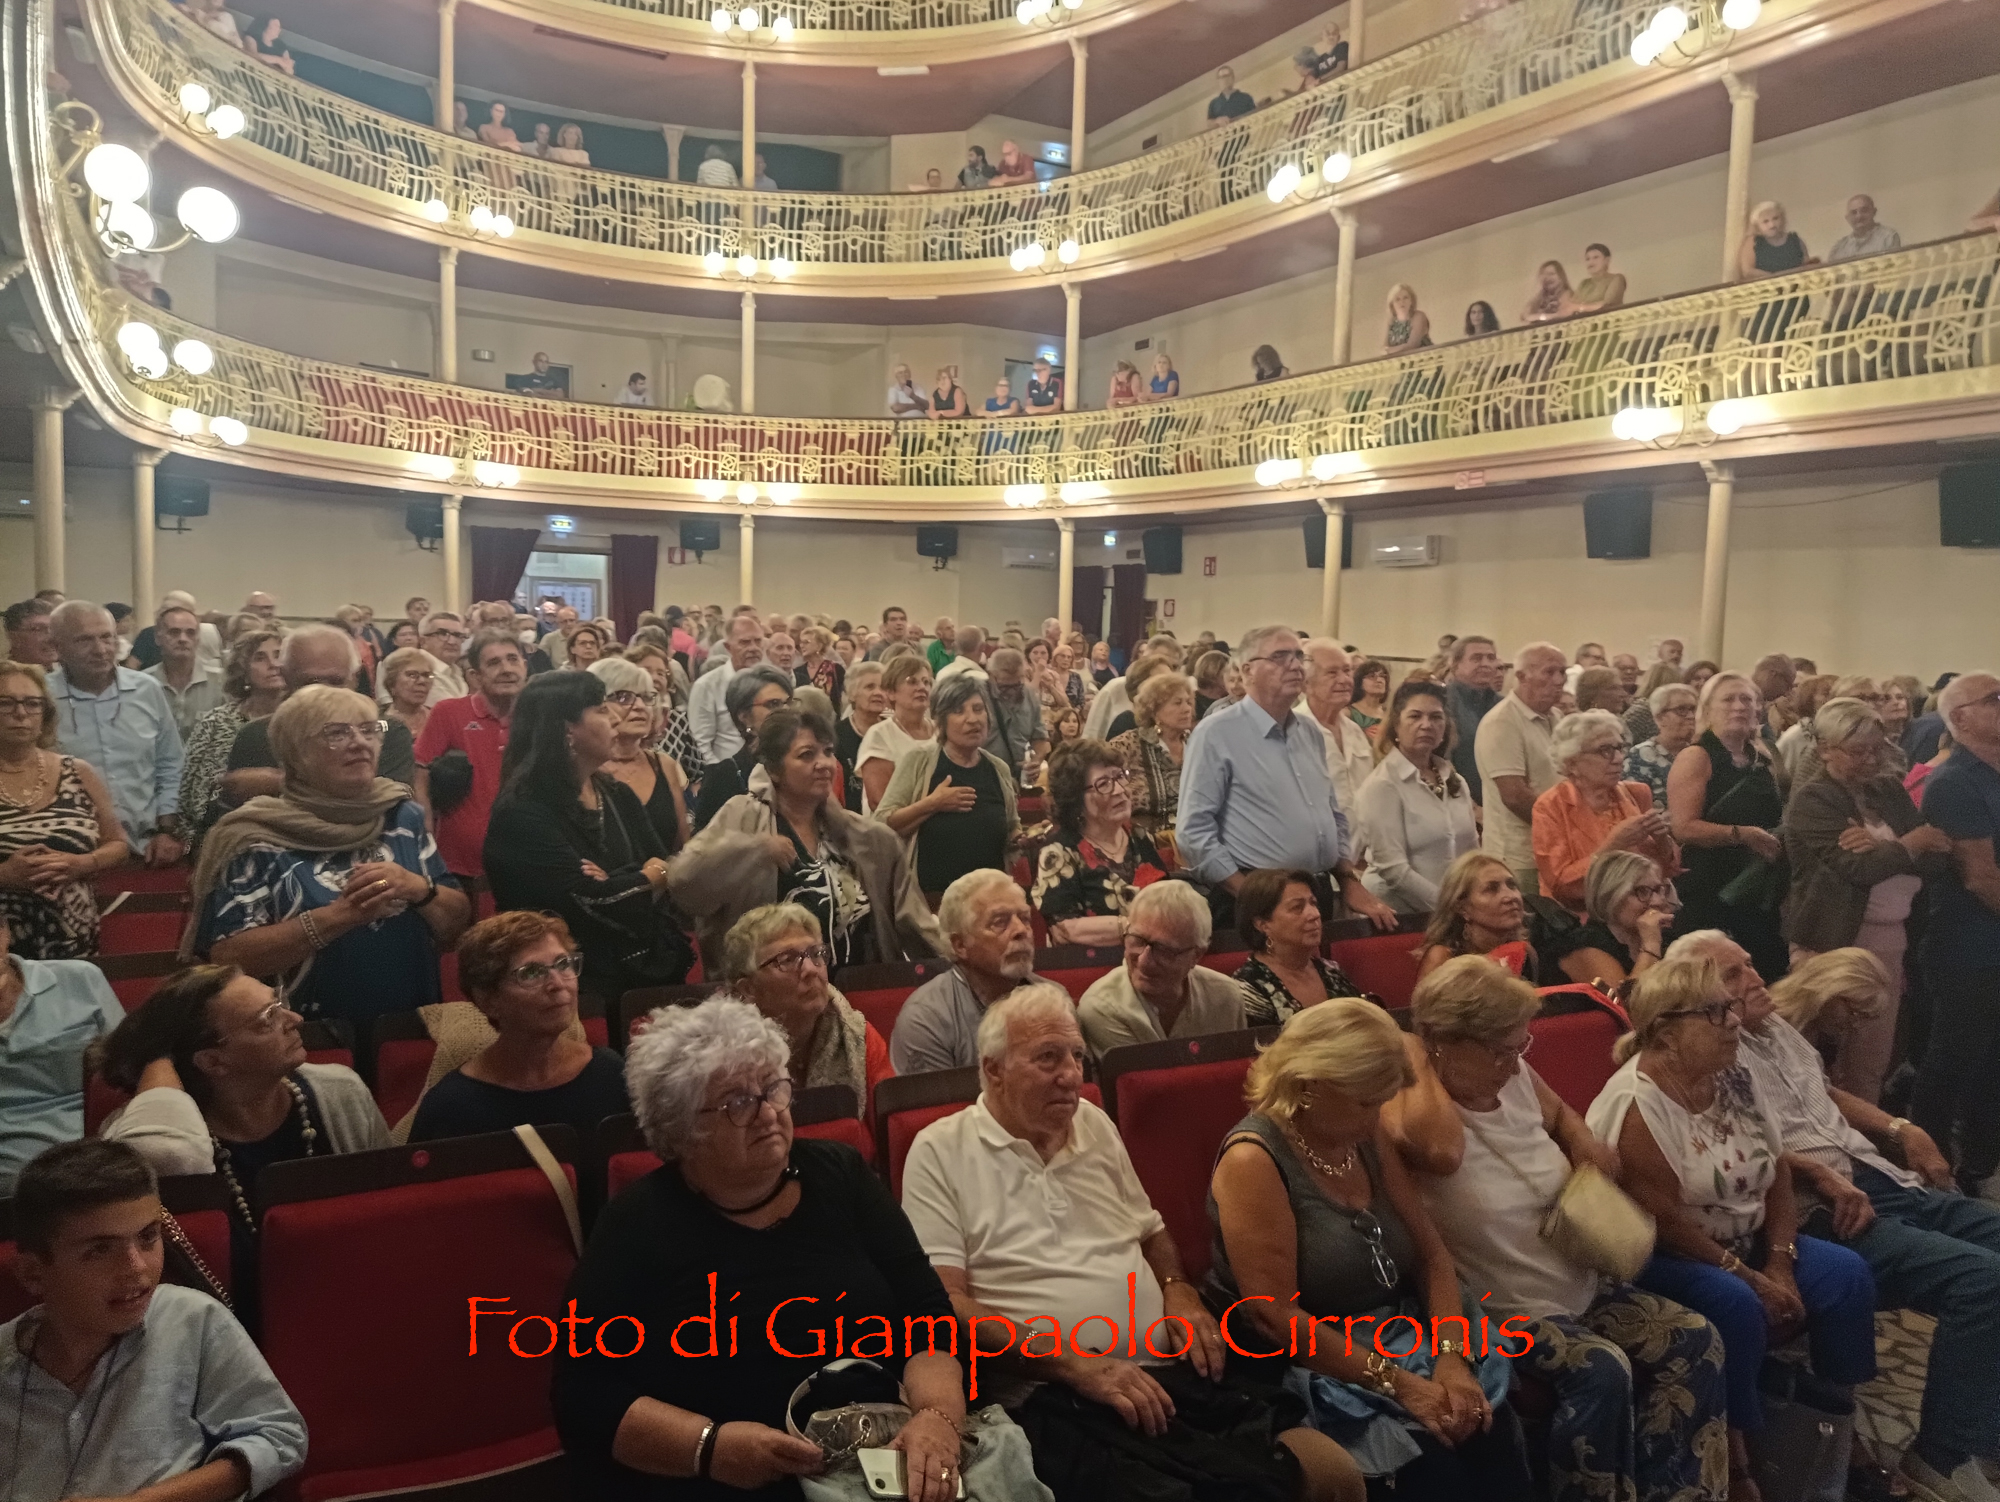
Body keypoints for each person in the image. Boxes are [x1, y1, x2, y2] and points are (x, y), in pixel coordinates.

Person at [901, 985, 1356, 1502]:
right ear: (994, 1069)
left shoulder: (1092, 1123)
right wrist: (1076, 1365)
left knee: (1325, 1470)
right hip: (1054, 1396)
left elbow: (1150, 1231)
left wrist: (1178, 1289)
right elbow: (948, 1303)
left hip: (1170, 1377)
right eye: (1048, 1058)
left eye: (1077, 1056)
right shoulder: (940, 1149)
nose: (1071, 1075)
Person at [553, 998, 968, 1502]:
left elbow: (928, 1315)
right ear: (682, 1129)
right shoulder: (637, 1223)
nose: (769, 1113)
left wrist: (936, 1418)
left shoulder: (841, 1174)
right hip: (725, 1482)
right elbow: (584, 1394)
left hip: (882, 1459)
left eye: (773, 1089)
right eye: (737, 1103)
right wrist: (710, 1448)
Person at [1386, 959, 1729, 1502]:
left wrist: (1583, 1142)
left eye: (1519, 1045)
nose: (1512, 1064)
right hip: (1503, 1309)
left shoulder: (1517, 1076)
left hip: (1576, 1277)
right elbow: (1443, 1152)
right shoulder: (1410, 1102)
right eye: (1498, 1050)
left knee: (1696, 1339)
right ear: (1443, 1041)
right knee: (1602, 1370)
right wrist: (1417, 1051)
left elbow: (1562, 1115)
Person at [1700, 933, 2000, 1502]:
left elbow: (1824, 1095)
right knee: (1983, 1279)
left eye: (1750, 964)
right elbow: (1733, 1144)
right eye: (1733, 974)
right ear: (1698, 995)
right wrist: (1817, 1171)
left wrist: (1902, 1128)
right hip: (1825, 1204)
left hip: (1880, 1177)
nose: (1756, 978)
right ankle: (1938, 1459)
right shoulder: (1714, 1049)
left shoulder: (1778, 1029)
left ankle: (1983, 1434)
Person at [1207, 997, 1535, 1501]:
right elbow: (1274, 1317)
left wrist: (1451, 1359)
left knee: (1492, 1432)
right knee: (1433, 1470)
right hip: (1313, 1362)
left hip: (1399, 1335)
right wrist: (1401, 1385)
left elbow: (1432, 1256)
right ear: (1310, 1085)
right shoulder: (1253, 1159)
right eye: (1365, 1103)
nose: (1377, 1116)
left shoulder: (1364, 1135)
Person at [1585, 957, 1878, 1494]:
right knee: (1737, 1304)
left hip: (1748, 1240)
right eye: (1716, 1012)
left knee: (1847, 1274)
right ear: (1667, 1032)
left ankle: (1835, 1424)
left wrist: (1780, 1261)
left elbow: (1777, 1172)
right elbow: (1664, 1222)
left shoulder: (1735, 1075)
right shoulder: (1637, 1103)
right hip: (1668, 1255)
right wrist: (1750, 1276)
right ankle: (1738, 1457)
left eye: (1731, 1008)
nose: (1735, 1021)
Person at [0, 1138, 307, 1499]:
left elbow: (278, 1436)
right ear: (33, 1274)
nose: (136, 1267)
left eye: (148, 1237)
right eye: (100, 1250)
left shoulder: (191, 1320)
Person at [96, 964, 392, 1330]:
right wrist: (158, 1060)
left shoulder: (341, 1093)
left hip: (354, 1308)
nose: (295, 1019)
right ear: (213, 1061)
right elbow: (162, 1152)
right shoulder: (152, 1130)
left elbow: (389, 1220)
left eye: (280, 1003)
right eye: (268, 1019)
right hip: (220, 1332)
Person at [189, 685, 468, 1025]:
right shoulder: (254, 837)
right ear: (297, 753)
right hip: (303, 1035)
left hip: (407, 1029)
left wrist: (418, 888)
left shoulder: (401, 815)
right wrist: (341, 915)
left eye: (368, 730)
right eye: (337, 733)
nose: (360, 742)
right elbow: (228, 958)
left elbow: (455, 925)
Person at [671, 707, 944, 975]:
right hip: (770, 992)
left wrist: (955, 965)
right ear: (774, 770)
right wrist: (755, 850)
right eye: (806, 755)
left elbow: (916, 922)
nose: (824, 763)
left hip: (856, 989)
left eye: (828, 752)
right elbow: (684, 884)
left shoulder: (866, 836)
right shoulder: (742, 815)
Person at [1779, 697, 1950, 1102]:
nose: (1871, 760)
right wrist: (1909, 844)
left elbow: (1938, 857)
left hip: (1890, 936)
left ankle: (1866, 1135)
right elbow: (1858, 870)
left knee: (1871, 1059)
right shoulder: (1814, 798)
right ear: (1825, 749)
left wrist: (1882, 846)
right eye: (1858, 751)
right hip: (1831, 938)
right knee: (1817, 1055)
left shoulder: (1886, 788)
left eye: (1878, 748)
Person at [485, 672, 689, 1004]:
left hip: (639, 967)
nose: (616, 718)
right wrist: (647, 877)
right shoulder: (523, 812)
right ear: (567, 729)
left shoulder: (617, 794)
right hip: (559, 984)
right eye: (601, 709)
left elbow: (666, 866)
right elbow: (586, 903)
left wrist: (633, 879)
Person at [1178, 625, 1396, 932]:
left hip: (1315, 891)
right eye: (1280, 657)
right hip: (1256, 896)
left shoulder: (1310, 732)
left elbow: (1332, 815)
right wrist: (1253, 897)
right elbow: (1193, 833)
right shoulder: (1217, 733)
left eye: (1298, 656)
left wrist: (1348, 879)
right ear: (1247, 670)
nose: (1294, 665)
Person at [407, 909, 626, 1146]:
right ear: (488, 1000)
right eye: (531, 972)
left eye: (563, 964)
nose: (557, 984)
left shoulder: (611, 1074)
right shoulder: (450, 1108)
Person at [1908, 672, 2000, 1197]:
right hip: (1968, 946)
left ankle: (1981, 1165)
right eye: (1996, 699)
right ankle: (1931, 1168)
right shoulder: (1955, 781)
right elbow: (1981, 878)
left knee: (1993, 1063)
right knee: (1954, 1060)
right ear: (1961, 717)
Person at [710, 902, 892, 1120]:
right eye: (787, 960)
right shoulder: (719, 1062)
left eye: (816, 954)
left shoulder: (856, 1037)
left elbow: (888, 1131)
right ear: (748, 989)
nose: (811, 969)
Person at [0, 663, 127, 959]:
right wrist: (4, 874)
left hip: (74, 941)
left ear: (45, 713)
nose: (21, 713)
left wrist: (80, 863)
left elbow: (119, 845)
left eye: (32, 703)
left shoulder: (78, 772)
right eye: (6, 702)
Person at [1668, 672, 1788, 983]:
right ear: (1707, 709)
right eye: (1728, 699)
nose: (1739, 706)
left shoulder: (1762, 756)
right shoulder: (1696, 757)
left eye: (1746, 699)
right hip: (1709, 887)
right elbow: (1683, 827)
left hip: (1756, 886)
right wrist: (1742, 834)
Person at [47, 602, 183, 865]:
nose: (100, 650)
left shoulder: (147, 690)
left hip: (145, 850)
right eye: (84, 640)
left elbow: (170, 764)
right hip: (68, 854)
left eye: (107, 637)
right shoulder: (41, 699)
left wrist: (167, 831)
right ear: (57, 647)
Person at [0, 916, 122, 1191]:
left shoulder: (80, 978)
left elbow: (130, 1064)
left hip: (107, 1141)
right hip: (19, 1171)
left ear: (5, 932)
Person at [876, 674, 1017, 898]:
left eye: (978, 709)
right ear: (940, 722)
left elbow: (1011, 826)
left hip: (990, 900)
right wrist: (933, 803)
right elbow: (882, 824)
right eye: (959, 711)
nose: (973, 719)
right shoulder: (919, 761)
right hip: (930, 901)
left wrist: (1022, 839)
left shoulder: (998, 768)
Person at [1531, 708, 1680, 918]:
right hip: (1582, 918)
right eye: (1605, 750)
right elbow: (1561, 887)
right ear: (1571, 763)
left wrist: (1662, 840)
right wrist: (1613, 845)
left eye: (1619, 748)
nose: (1618, 758)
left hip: (1644, 911)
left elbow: (1666, 870)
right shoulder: (1550, 806)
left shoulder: (1637, 793)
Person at [890, 868, 1040, 1074]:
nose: (1021, 930)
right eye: (1000, 922)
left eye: (1025, 918)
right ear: (960, 945)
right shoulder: (926, 1019)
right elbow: (939, 1097)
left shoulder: (1055, 998)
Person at [1076, 879, 1245, 1060]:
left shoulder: (1226, 998)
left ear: (1197, 955)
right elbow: (1145, 1078)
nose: (1144, 962)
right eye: (1137, 940)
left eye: (1164, 950)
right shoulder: (1102, 1007)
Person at [1032, 740, 1171, 946]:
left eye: (1119, 776)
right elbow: (1066, 928)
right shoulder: (1058, 852)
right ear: (1076, 800)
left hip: (1152, 955)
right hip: (1095, 961)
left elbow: (1166, 900)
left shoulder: (1139, 835)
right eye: (1104, 784)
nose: (1119, 790)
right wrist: (1135, 928)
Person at [1356, 680, 1477, 915]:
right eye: (1415, 716)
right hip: (1399, 914)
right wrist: (1449, 909)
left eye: (1436, 717)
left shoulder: (1455, 781)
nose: (1426, 725)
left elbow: (1471, 852)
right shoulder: (1383, 785)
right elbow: (1394, 870)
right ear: (1396, 725)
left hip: (1454, 911)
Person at [414, 627, 525, 883]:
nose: (507, 669)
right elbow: (419, 772)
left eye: (513, 659)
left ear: (524, 666)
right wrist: (425, 834)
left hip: (524, 861)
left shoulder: (539, 715)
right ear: (475, 675)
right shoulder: (448, 712)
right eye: (494, 663)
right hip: (459, 868)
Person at [177, 628, 283, 855]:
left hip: (284, 836)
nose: (273, 664)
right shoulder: (216, 722)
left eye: (279, 655)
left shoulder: (302, 721)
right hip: (219, 837)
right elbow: (189, 791)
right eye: (260, 658)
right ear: (243, 671)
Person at [1474, 640, 1566, 895]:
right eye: (1549, 672)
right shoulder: (1502, 722)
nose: (1559, 680)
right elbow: (1514, 796)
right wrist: (1565, 828)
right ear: (1522, 676)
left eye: (1563, 672)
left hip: (1554, 850)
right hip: (1519, 857)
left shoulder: (1556, 717)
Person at [1231, 867, 1367, 1025]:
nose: (1314, 914)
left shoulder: (1331, 972)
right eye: (1297, 907)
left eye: (1313, 903)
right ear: (1262, 924)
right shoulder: (1249, 989)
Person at [591, 657, 691, 856]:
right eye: (623, 697)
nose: (639, 706)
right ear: (596, 706)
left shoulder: (664, 764)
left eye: (645, 697)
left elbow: (684, 845)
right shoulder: (588, 769)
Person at [1417, 851, 1551, 983]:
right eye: (1491, 889)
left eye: (1511, 885)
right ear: (1462, 907)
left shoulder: (1527, 950)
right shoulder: (1443, 958)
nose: (1511, 896)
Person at [692, 665, 793, 833]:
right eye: (773, 704)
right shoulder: (724, 775)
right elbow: (704, 843)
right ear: (744, 717)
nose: (786, 711)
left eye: (788, 703)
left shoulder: (803, 762)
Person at [1303, 642, 1377, 847]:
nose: (1344, 680)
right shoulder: (1292, 732)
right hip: (1316, 855)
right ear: (1306, 683)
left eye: (1347, 671)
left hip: (1362, 853)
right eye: (1332, 673)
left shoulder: (1355, 732)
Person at [1108, 670, 1193, 838]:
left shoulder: (1197, 743)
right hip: (1145, 841)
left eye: (1188, 702)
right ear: (1154, 711)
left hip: (1195, 839)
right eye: (1177, 703)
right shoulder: (1127, 745)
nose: (1187, 709)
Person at [856, 655, 934, 815]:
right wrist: (934, 804)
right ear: (891, 693)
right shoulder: (880, 735)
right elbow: (879, 803)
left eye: (926, 682)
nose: (922, 687)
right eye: (912, 681)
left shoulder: (941, 731)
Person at [687, 611, 766, 767]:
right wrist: (721, 774)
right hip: (725, 771)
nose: (753, 648)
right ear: (728, 647)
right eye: (745, 642)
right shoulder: (707, 686)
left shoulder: (770, 682)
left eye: (758, 641)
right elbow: (700, 743)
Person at [141, 604, 222, 738]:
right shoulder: (142, 684)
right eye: (174, 632)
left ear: (198, 639)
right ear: (158, 637)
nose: (183, 639)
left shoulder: (221, 683)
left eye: (190, 633)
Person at [1443, 634, 1501, 805]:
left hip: (1500, 804)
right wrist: (1471, 807)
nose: (1485, 664)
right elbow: (1440, 763)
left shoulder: (1504, 706)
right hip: (1457, 803)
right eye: (1476, 658)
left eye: (1491, 658)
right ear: (1455, 665)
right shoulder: (1442, 702)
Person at [1625, 681, 1699, 806]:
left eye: (1693, 709)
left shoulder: (1700, 754)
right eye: (1681, 710)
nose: (1691, 716)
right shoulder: (1640, 756)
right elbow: (1632, 806)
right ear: (1659, 717)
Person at [982, 647, 1047, 787]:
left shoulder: (1029, 695)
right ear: (991, 676)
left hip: (1017, 778)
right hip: (985, 775)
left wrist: (1036, 762)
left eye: (1017, 685)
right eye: (1005, 686)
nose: (1011, 691)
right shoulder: (978, 696)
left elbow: (1040, 737)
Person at [1738, 200, 1815, 280]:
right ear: (1757, 225)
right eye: (1765, 221)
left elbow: (1806, 266)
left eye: (1775, 218)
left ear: (1782, 219)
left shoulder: (1795, 240)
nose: (1772, 225)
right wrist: (1775, 278)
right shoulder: (1754, 242)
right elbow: (1748, 271)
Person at [377, 645, 434, 742]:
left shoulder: (439, 719)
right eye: (412, 675)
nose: (422, 681)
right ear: (392, 683)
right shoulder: (380, 725)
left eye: (426, 675)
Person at [1570, 242, 1627, 312]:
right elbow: (1572, 307)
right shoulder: (1584, 283)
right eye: (1587, 259)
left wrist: (1581, 307)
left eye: (1596, 257)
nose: (1591, 262)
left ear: (1607, 260)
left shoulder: (1616, 278)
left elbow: (1608, 304)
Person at [5, 598, 56, 669]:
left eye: (53, 628)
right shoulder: (4, 674)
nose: (51, 638)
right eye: (38, 629)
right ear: (14, 638)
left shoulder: (67, 673)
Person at [1382, 284, 1432, 355]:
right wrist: (1387, 350)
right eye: (1397, 299)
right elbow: (1383, 348)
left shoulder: (1418, 316)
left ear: (1411, 301)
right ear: (1392, 304)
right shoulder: (1391, 322)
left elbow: (1412, 345)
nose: (1402, 302)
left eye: (1405, 298)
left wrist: (1389, 351)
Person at [1347, 659, 1389, 737]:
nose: (1379, 680)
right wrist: (1362, 734)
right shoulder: (1347, 713)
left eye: (1382, 676)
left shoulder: (1389, 714)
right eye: (1372, 676)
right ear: (1360, 682)